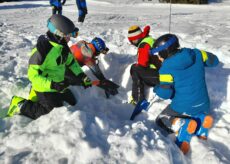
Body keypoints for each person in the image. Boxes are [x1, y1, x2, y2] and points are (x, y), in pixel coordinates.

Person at [4, 15, 92, 120]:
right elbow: (33, 76)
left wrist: (81, 76)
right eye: (68, 35)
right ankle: (20, 104)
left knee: (72, 101)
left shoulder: (62, 46)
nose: (70, 38)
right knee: (51, 112)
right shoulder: (42, 50)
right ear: (59, 34)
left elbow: (71, 62)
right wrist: (52, 85)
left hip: (57, 84)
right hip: (44, 87)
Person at [151, 33, 219, 154]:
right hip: (204, 104)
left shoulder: (166, 68)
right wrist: (202, 56)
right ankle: (202, 121)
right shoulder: (197, 53)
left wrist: (156, 88)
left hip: (184, 106)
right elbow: (215, 61)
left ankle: (182, 126)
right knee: (196, 112)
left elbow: (166, 94)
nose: (158, 57)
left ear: (165, 52)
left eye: (159, 54)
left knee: (161, 120)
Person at [127, 25, 161, 105]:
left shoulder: (143, 45)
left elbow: (142, 64)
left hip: (161, 76)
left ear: (135, 39)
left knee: (135, 69)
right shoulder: (149, 39)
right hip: (165, 71)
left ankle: (138, 100)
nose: (132, 43)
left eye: (132, 41)